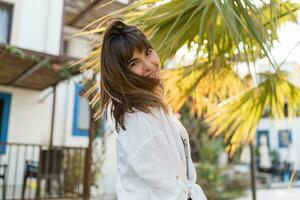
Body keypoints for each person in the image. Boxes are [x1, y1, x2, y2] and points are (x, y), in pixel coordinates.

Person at [99, 20, 207, 200]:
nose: (148, 65)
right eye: (134, 63)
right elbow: (169, 191)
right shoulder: (138, 119)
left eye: (148, 53)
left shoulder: (154, 110)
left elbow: (181, 181)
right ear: (121, 74)